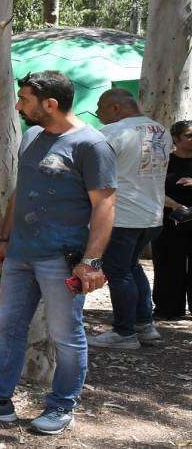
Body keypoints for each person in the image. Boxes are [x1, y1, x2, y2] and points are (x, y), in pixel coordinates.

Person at [0, 71, 115, 435]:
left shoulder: (91, 145)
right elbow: (20, 190)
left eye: (25, 100)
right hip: (21, 254)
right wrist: (4, 239)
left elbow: (105, 206)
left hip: (62, 258)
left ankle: (61, 406)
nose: (20, 106)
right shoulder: (31, 137)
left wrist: (91, 262)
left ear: (50, 104)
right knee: (8, 327)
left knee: (65, 334)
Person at [88, 89, 170, 348]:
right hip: (152, 215)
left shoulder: (113, 133)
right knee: (132, 267)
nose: (97, 113)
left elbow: (91, 171)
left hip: (122, 216)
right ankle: (145, 326)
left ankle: (124, 333)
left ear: (115, 108)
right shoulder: (161, 130)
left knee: (118, 271)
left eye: (100, 107)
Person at [152, 120, 192, 319]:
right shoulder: (163, 161)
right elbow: (152, 189)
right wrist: (174, 206)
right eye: (189, 135)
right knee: (168, 265)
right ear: (176, 138)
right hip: (169, 222)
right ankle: (168, 308)